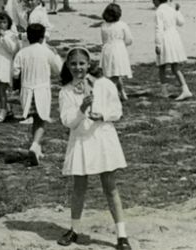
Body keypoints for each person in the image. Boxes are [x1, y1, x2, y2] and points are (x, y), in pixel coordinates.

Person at [57, 46, 129, 249]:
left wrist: (102, 115)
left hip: (103, 139)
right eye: (73, 64)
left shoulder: (104, 84)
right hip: (81, 141)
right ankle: (75, 228)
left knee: (110, 186)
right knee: (79, 187)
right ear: (67, 66)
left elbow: (117, 110)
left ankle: (122, 235)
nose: (78, 68)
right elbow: (67, 121)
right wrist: (81, 109)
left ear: (89, 64)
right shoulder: (66, 91)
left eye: (81, 63)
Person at [12, 23, 64, 165]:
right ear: (42, 37)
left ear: (28, 37)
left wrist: (19, 79)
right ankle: (35, 145)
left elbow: (15, 72)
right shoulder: (46, 51)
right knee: (42, 120)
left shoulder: (22, 53)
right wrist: (57, 55)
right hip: (41, 90)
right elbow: (58, 70)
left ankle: (37, 147)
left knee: (35, 118)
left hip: (27, 90)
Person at [150, 0, 192, 101]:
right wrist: (178, 11)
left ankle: (165, 91)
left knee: (162, 66)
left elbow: (158, 28)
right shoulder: (171, 8)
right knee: (175, 66)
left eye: (153, 0)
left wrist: (158, 44)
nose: (153, 3)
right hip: (175, 37)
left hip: (165, 38)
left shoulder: (159, 11)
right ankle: (185, 89)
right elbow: (181, 22)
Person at [99, 3, 133, 101]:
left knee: (113, 74)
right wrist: (122, 45)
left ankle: (120, 93)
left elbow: (103, 40)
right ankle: (113, 94)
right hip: (119, 50)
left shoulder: (103, 25)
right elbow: (129, 40)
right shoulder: (122, 25)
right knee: (115, 74)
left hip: (107, 50)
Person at [0, 11, 19, 122]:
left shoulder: (11, 35)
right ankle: (7, 108)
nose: (2, 24)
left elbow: (12, 49)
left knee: (2, 89)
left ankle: (2, 112)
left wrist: (4, 36)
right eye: (0, 22)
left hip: (5, 64)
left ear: (8, 23)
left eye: (4, 22)